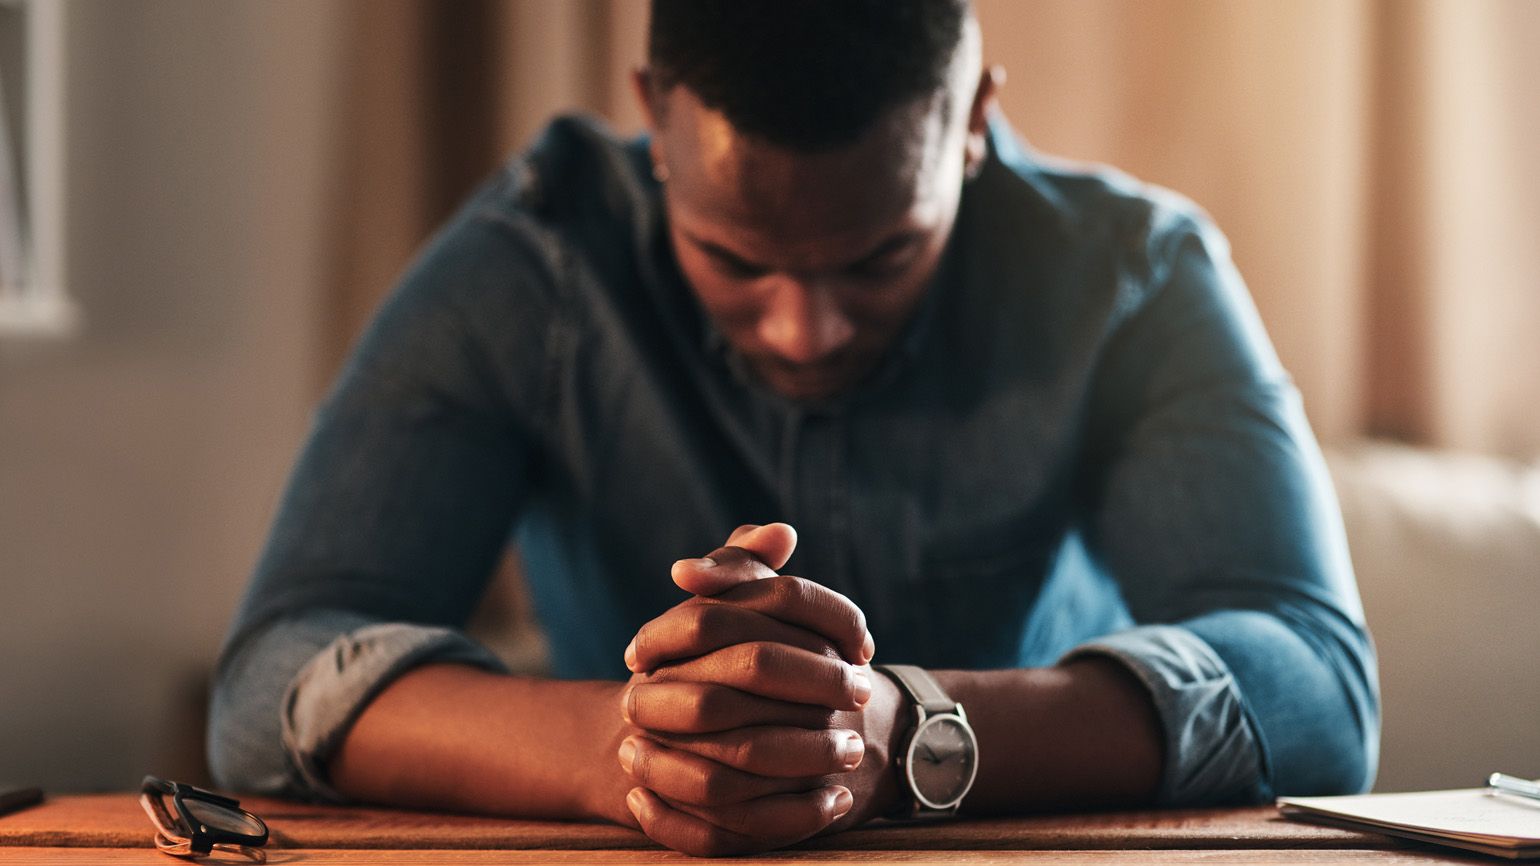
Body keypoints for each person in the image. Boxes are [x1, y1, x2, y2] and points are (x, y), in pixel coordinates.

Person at [208, 0, 1379, 857]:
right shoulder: (534, 266)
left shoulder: (1135, 275)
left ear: (973, 117)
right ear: (653, 120)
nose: (805, 329)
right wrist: (630, 749)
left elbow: (1320, 688)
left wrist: (908, 730)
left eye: (880, 257)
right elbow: (267, 678)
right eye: (730, 256)